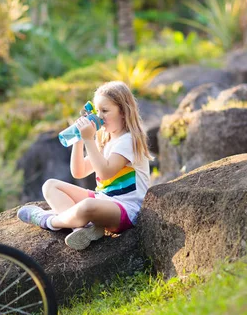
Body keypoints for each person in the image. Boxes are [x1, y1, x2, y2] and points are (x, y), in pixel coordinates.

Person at [17, 81, 151, 250]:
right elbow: (79, 172)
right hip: (103, 200)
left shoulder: (129, 140)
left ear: (123, 111)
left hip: (126, 210)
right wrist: (79, 140)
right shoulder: (107, 139)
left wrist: (89, 139)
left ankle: (50, 221)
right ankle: (81, 228)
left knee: (87, 206)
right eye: (97, 111)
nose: (99, 117)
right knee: (50, 186)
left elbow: (106, 172)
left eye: (105, 111)